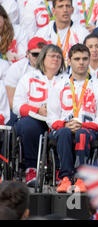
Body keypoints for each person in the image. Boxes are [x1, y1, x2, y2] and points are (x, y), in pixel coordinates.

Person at [47, 44, 98, 193]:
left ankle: (82, 178)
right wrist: (66, 124)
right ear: (69, 61)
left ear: (89, 60)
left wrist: (82, 125)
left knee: (81, 133)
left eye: (84, 59)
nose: (81, 62)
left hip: (88, 130)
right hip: (63, 129)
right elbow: (51, 117)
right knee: (64, 133)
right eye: (77, 59)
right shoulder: (58, 85)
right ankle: (65, 178)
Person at [13, 44, 65, 187]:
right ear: (43, 58)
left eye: (58, 56)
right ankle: (31, 168)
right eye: (52, 56)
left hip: (58, 119)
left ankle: (61, 170)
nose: (55, 59)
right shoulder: (28, 78)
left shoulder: (66, 80)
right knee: (27, 125)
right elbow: (17, 105)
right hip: (35, 119)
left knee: (64, 130)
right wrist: (37, 110)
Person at [35, 0, 90, 66]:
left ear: (72, 10)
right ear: (53, 11)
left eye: (68, 6)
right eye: (60, 6)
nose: (65, 10)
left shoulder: (83, 33)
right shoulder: (42, 34)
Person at [4, 37, 47, 113]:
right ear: (27, 53)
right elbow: (11, 102)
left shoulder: (53, 68)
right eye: (35, 54)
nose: (39, 57)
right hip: (22, 111)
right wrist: (36, 111)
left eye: (42, 54)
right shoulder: (16, 68)